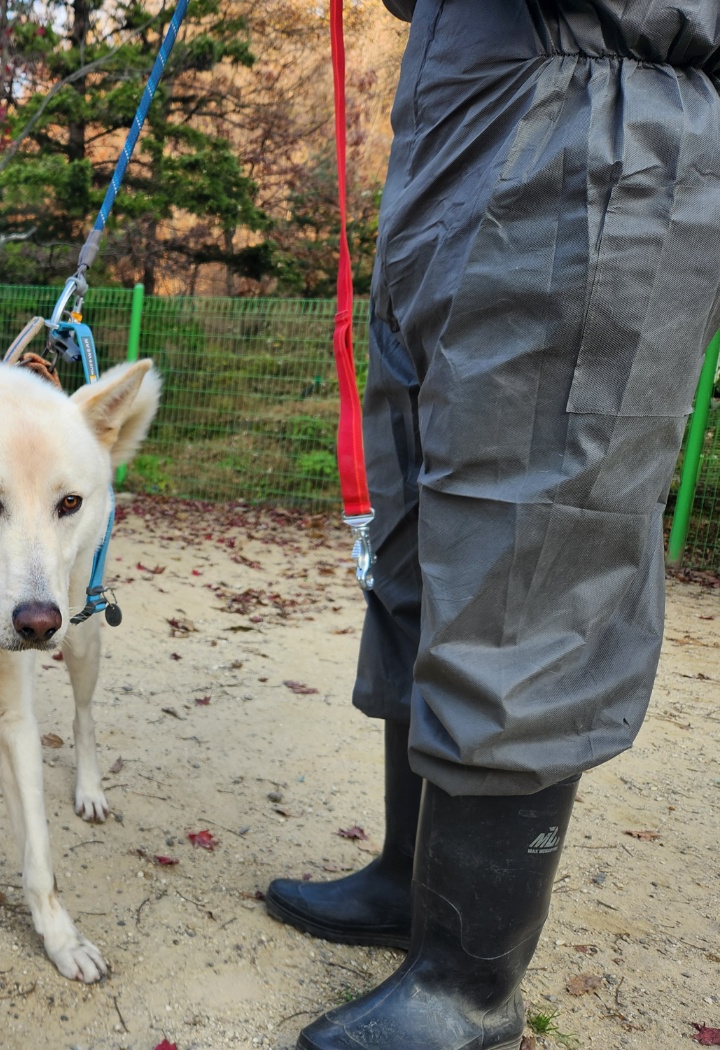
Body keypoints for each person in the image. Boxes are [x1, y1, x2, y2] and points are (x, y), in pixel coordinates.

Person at [263, 3, 720, 1048]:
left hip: (599, 128)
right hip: (461, 123)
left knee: (529, 542)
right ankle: (406, 883)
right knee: (422, 535)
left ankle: (469, 983)